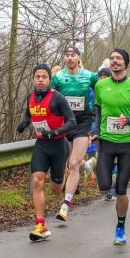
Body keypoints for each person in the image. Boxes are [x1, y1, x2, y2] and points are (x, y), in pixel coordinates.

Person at [91, 49, 130, 245]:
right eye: (112, 58)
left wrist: (129, 120)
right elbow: (98, 111)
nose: (115, 61)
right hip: (106, 140)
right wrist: (96, 130)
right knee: (104, 186)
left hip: (128, 141)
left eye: (119, 59)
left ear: (125, 63)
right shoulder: (100, 85)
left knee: (121, 190)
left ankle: (120, 227)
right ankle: (112, 178)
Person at [16, 64, 77, 241]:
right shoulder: (31, 97)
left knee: (56, 189)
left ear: (50, 79)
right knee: (37, 181)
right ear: (33, 79)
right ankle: (40, 225)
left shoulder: (57, 98)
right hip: (41, 145)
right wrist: (25, 122)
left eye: (44, 77)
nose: (41, 80)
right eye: (38, 77)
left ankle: (63, 175)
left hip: (58, 146)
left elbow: (72, 122)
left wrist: (56, 132)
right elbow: (29, 113)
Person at [50, 46, 98, 222]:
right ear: (64, 58)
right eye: (67, 55)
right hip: (64, 124)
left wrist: (96, 114)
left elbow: (100, 92)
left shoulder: (90, 76)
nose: (70, 58)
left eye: (73, 55)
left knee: (73, 163)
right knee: (68, 161)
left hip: (83, 123)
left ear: (79, 57)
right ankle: (89, 167)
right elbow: (49, 98)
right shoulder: (58, 78)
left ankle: (65, 206)